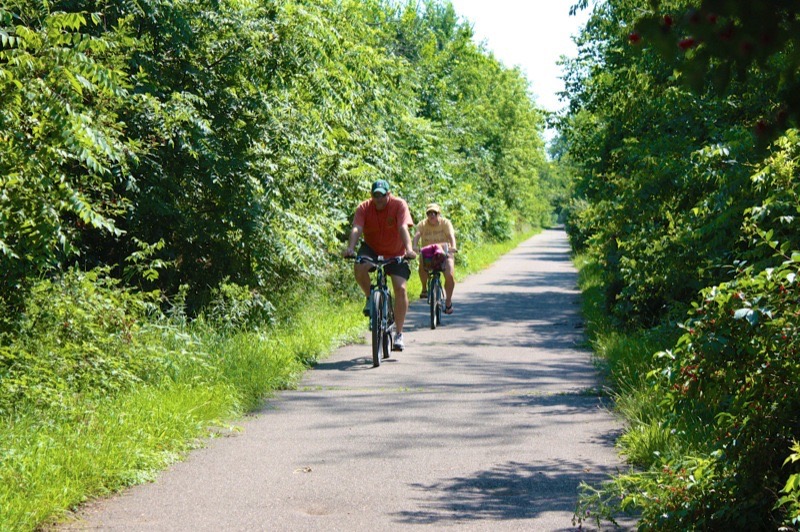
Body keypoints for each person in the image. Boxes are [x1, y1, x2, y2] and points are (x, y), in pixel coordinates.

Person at [343, 179, 416, 351]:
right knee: (359, 266)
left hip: (396, 252)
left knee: (401, 289)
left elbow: (403, 228)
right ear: (371, 196)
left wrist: (409, 250)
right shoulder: (364, 208)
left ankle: (398, 333)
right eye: (376, 196)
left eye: (382, 196)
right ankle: (370, 298)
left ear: (389, 194)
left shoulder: (399, 205)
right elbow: (356, 229)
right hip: (372, 250)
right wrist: (350, 248)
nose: (379, 200)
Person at [412, 203, 457, 314]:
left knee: (450, 275)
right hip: (428, 254)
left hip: (444, 253)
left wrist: (453, 246)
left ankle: (448, 302)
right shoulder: (422, 224)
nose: (432, 215)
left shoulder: (445, 223)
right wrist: (414, 246)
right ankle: (424, 288)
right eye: (429, 213)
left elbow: (451, 236)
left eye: (434, 213)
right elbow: (417, 235)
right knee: (422, 260)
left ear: (439, 214)